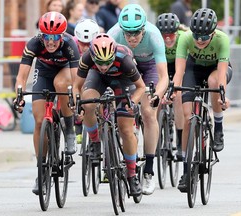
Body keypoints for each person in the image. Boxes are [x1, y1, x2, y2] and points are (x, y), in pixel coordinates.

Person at [14, 11, 80, 195]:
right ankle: (41, 169)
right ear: (41, 36)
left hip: (65, 70)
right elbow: (22, 76)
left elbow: (76, 80)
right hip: (43, 72)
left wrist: (76, 99)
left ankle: (68, 129)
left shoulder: (69, 45)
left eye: (55, 37)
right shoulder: (34, 44)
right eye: (47, 37)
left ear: (62, 36)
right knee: (38, 120)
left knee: (62, 84)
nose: (50, 42)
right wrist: (18, 96)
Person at [71, 33, 146, 196]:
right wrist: (77, 103)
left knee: (126, 130)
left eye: (107, 62)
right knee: (88, 103)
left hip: (123, 80)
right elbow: (77, 86)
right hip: (97, 79)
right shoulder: (87, 58)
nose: (104, 66)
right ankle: (95, 141)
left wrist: (132, 102)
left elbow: (141, 87)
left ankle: (132, 175)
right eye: (100, 62)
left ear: (113, 55)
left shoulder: (124, 59)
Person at [108, 4, 169, 195]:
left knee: (149, 112)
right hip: (126, 67)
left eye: (136, 33)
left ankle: (149, 171)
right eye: (128, 33)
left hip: (149, 67)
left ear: (144, 28)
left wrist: (157, 95)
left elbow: (164, 76)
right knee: (123, 110)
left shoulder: (154, 35)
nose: (132, 37)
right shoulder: (113, 35)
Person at [171, 8, 232, 193]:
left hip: (216, 69)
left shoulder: (222, 40)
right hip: (193, 69)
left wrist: (222, 96)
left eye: (204, 37)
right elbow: (179, 72)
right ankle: (185, 170)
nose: (199, 40)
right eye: (197, 35)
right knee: (189, 118)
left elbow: (221, 76)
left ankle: (218, 127)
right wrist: (174, 90)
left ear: (213, 33)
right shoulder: (185, 38)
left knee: (214, 82)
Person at [155, 13, 185, 160]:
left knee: (178, 96)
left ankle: (180, 139)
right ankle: (156, 136)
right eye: (164, 35)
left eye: (171, 35)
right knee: (156, 97)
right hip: (163, 67)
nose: (167, 38)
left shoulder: (183, 37)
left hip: (179, 66)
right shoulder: (155, 39)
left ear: (176, 32)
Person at [72, 18, 100, 143]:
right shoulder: (72, 44)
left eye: (89, 44)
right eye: (82, 43)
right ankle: (77, 122)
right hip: (79, 72)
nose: (85, 47)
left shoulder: (100, 43)